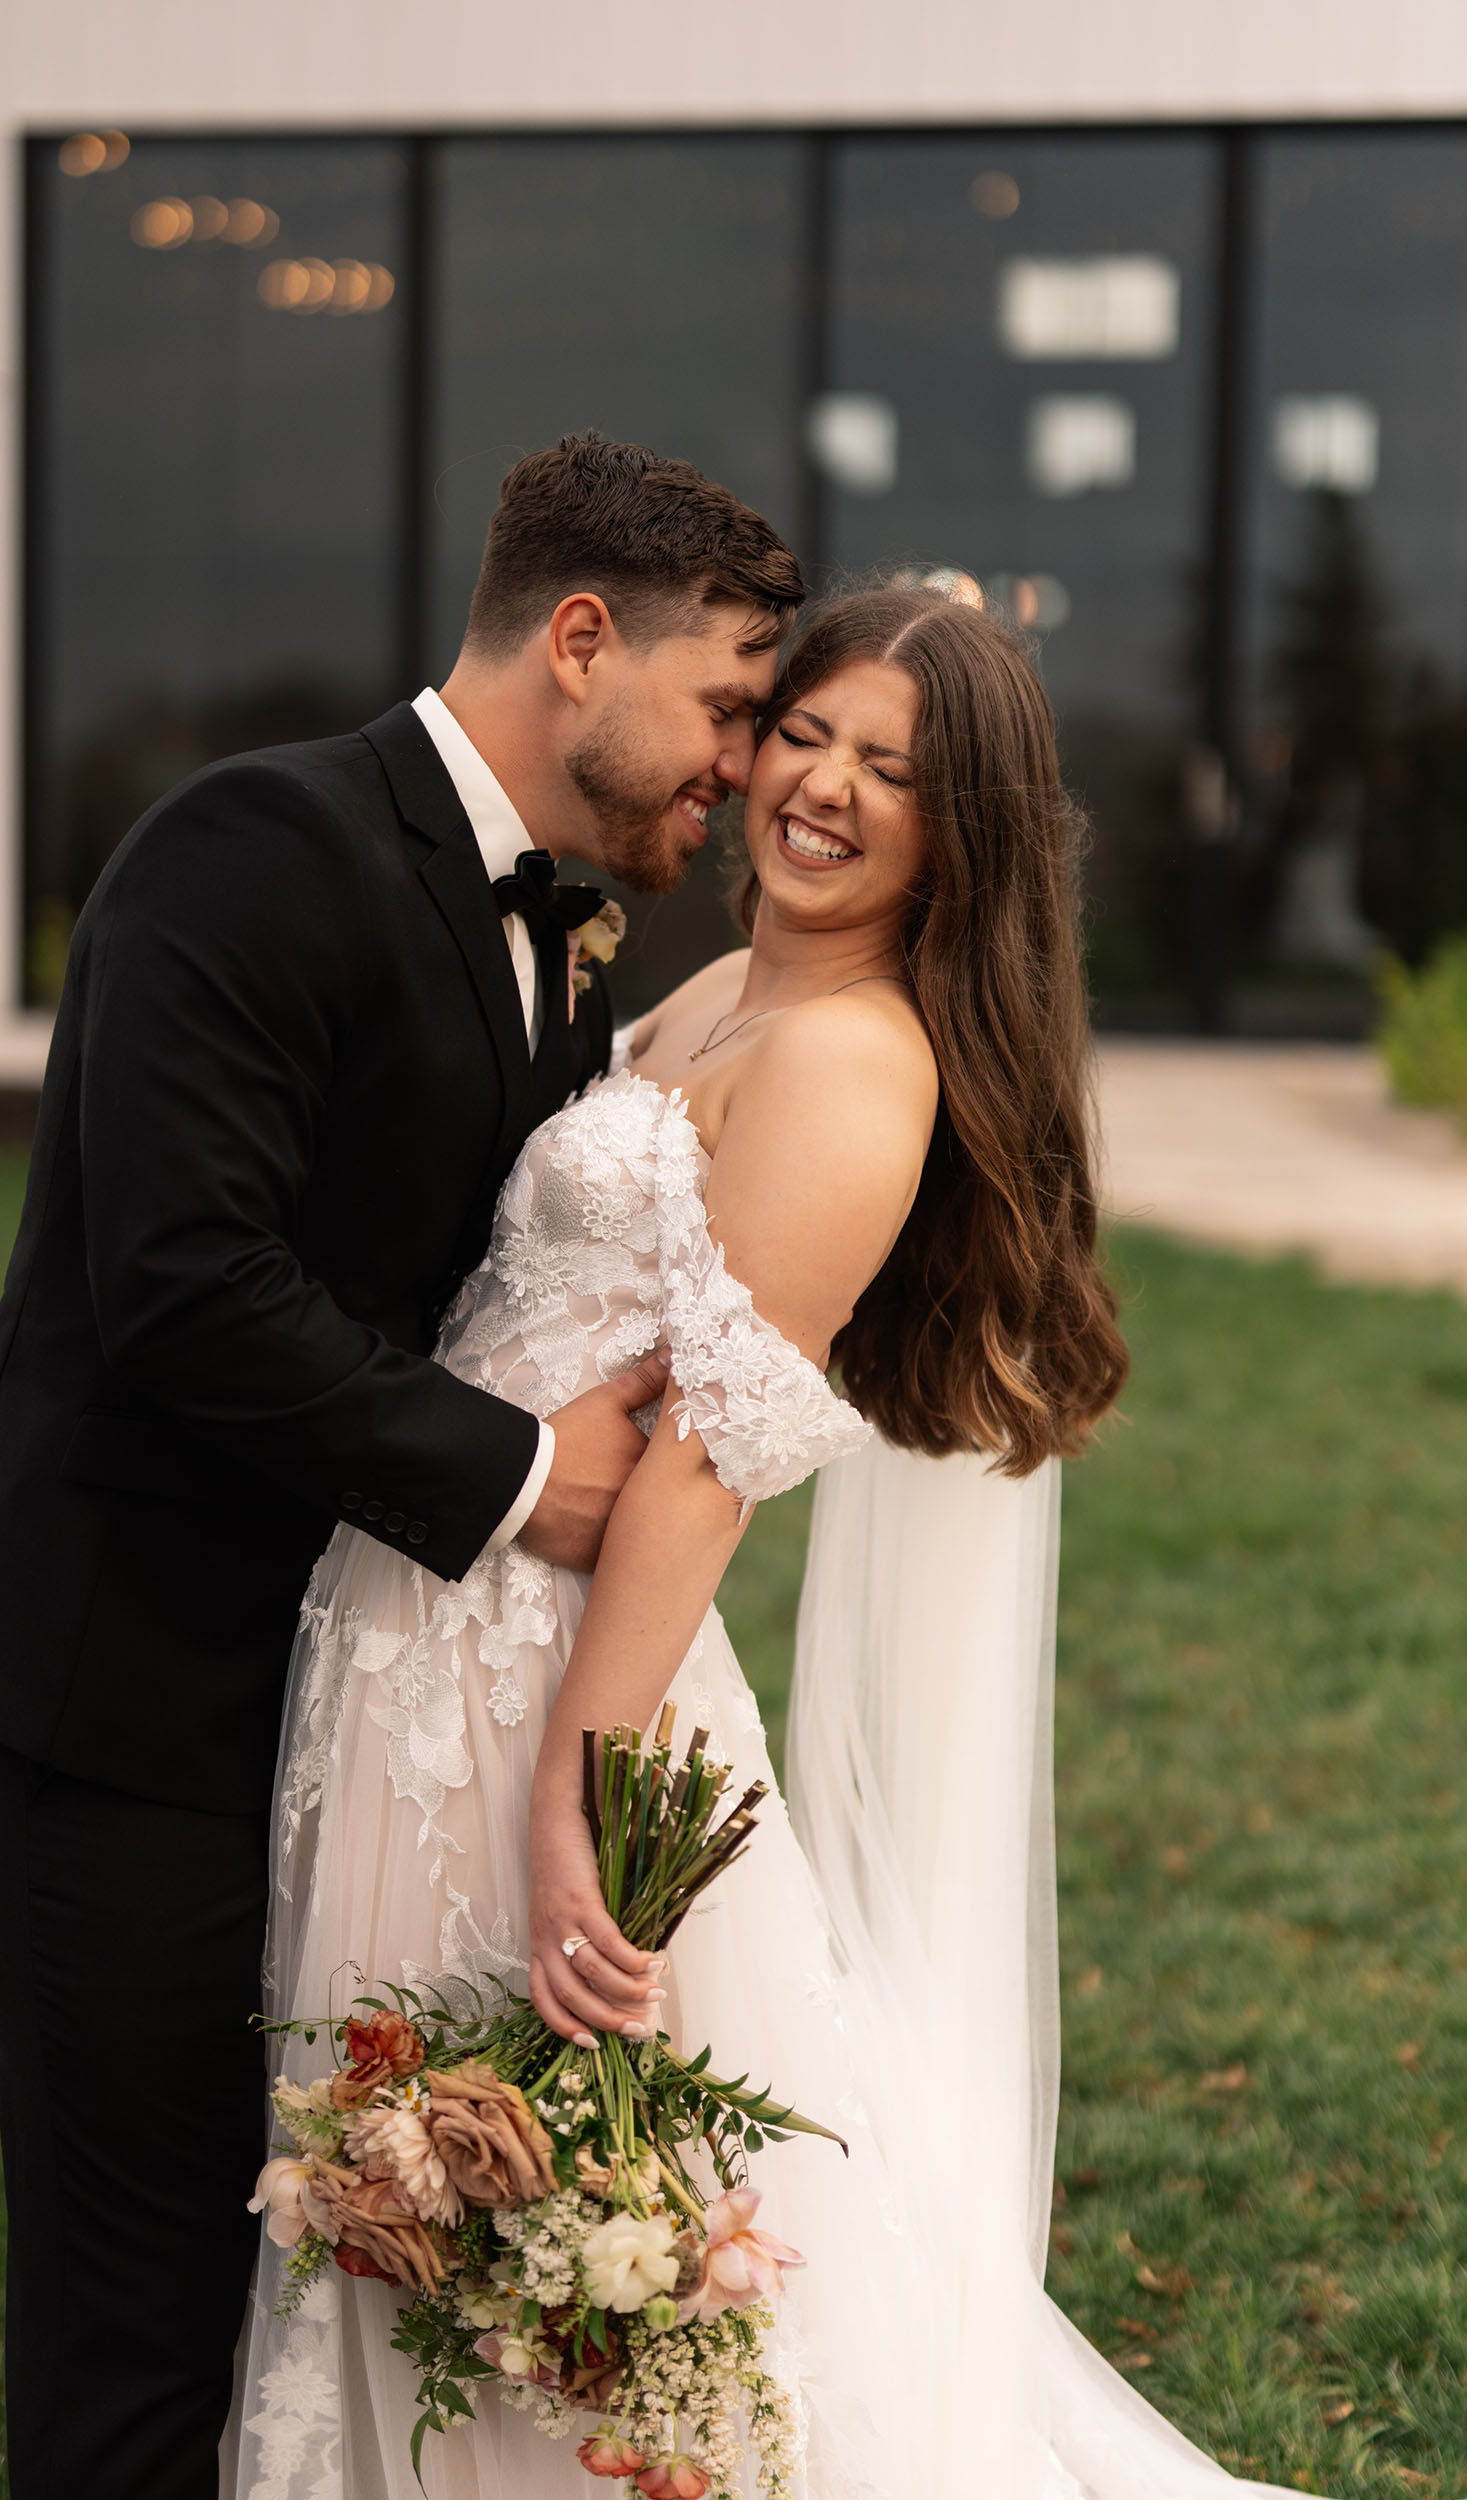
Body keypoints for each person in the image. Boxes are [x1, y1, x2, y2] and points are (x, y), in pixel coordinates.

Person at [229, 583, 1317, 2499]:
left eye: (888, 768)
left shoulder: (853, 1067)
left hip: (551, 1682)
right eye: (802, 732)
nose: (819, 786)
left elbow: (707, 1470)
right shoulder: (740, 985)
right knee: (416, 2197)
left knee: (534, 2218)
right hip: (427, 1617)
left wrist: (577, 1786)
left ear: (958, 823)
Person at [0, 433, 805, 2500]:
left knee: (299, 2246)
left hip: (302, 1679)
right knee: (149, 2291)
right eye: (731, 704)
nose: (741, 769)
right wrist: (513, 1475)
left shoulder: (569, 923)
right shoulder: (247, 848)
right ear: (583, 641)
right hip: (102, 1674)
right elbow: (183, 1284)